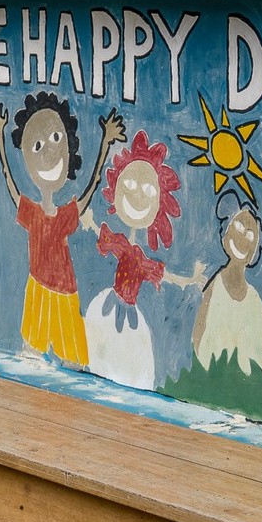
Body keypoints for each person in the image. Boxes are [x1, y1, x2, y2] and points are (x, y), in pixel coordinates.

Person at [0, 92, 124, 370]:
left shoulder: (65, 215)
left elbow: (92, 186)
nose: (48, 153)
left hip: (64, 292)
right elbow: (9, 180)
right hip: (38, 288)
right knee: (30, 352)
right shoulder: (32, 213)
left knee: (73, 361)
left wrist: (105, 144)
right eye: (38, 146)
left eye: (55, 139)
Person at [85, 131, 184, 390]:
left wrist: (190, 280)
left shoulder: (140, 260)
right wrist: (90, 222)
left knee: (130, 356)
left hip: (130, 315)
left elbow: (162, 274)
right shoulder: (122, 245)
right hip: (109, 304)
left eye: (148, 190)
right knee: (99, 343)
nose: (136, 196)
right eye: (128, 184)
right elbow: (104, 236)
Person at [188, 201, 262, 380]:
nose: (242, 240)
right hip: (211, 377)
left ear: (254, 252)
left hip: (246, 384)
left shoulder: (254, 302)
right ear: (226, 234)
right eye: (238, 228)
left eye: (249, 236)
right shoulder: (215, 286)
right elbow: (199, 329)